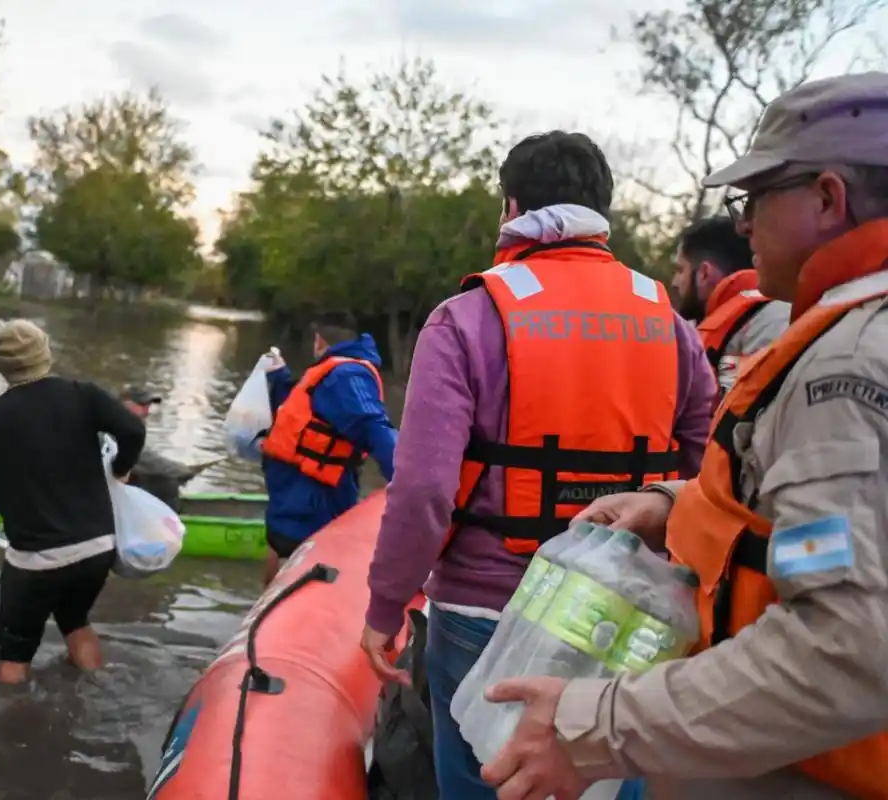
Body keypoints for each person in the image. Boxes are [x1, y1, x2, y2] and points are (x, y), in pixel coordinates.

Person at [478, 72, 888, 800]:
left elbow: (848, 645)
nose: (742, 224)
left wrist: (595, 727)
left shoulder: (851, 363)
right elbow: (803, 520)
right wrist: (674, 502)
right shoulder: (841, 337)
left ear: (828, 199)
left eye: (757, 197)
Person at [359, 130, 716, 800]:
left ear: (511, 207)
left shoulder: (465, 318)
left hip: (483, 607)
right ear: (602, 213)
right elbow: (707, 471)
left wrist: (384, 606)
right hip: (620, 612)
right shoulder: (669, 322)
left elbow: (425, 491)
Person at [0, 319, 146, 685]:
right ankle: (98, 690)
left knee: (15, 656)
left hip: (35, 562)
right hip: (96, 549)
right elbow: (133, 429)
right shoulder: (83, 394)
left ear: (1, 365)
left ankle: (11, 734)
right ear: (45, 354)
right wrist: (120, 469)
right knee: (76, 621)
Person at [259, 311, 398, 585]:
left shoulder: (346, 376)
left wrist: (412, 486)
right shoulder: (331, 371)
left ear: (319, 340)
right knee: (278, 550)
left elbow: (375, 429)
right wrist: (279, 377)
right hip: (292, 499)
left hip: (312, 503)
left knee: (297, 568)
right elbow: (309, 414)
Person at [671, 215, 790, 393]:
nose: (675, 281)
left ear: (704, 273)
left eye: (681, 270)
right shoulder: (764, 318)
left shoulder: (767, 324)